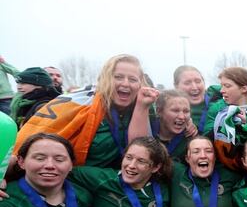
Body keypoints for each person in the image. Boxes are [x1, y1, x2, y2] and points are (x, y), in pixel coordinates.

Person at [13, 54, 155, 169]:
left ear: (140, 84)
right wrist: (4, 174)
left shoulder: (144, 105)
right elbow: (28, 145)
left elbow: (139, 149)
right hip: (70, 180)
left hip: (117, 181)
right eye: (118, 77)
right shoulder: (79, 102)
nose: (125, 83)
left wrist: (141, 108)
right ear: (105, 79)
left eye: (132, 79)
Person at [205, 67, 247, 170]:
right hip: (226, 170)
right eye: (221, 86)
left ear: (244, 89)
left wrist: (245, 129)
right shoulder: (217, 109)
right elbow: (207, 141)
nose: (222, 91)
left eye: (227, 86)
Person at [154, 89, 196, 161]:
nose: (182, 117)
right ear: (159, 111)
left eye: (186, 111)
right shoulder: (146, 131)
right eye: (175, 110)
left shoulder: (192, 140)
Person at [173, 65, 209, 139]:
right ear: (176, 86)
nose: (194, 87)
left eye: (198, 81)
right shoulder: (166, 109)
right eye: (187, 83)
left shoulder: (218, 105)